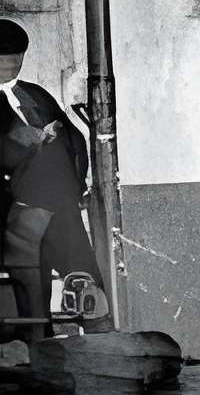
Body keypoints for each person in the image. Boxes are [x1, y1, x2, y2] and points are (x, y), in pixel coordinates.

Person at [0, 20, 108, 332]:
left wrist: (78, 182)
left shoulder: (35, 93)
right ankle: (37, 348)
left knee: (84, 278)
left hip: (60, 205)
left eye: (16, 59)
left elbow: (73, 137)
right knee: (30, 290)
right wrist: (32, 138)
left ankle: (102, 342)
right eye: (4, 59)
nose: (11, 65)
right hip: (15, 213)